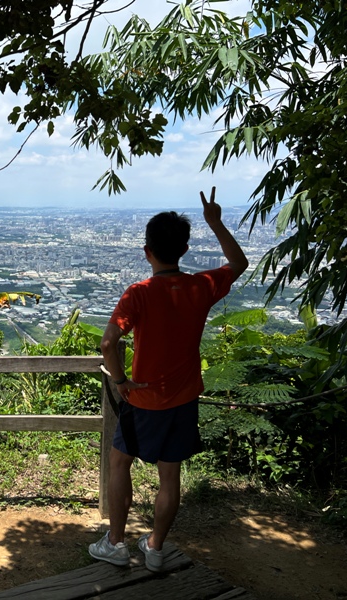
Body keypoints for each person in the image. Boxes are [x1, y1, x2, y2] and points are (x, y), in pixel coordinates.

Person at [89, 187, 248, 572]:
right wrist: (215, 221)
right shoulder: (199, 287)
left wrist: (121, 380)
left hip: (144, 400)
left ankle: (115, 543)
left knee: (119, 462)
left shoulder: (140, 293)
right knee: (170, 474)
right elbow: (239, 263)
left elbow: (108, 342)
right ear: (184, 250)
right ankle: (156, 549)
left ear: (147, 250)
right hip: (184, 398)